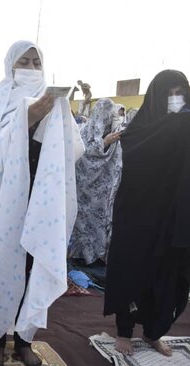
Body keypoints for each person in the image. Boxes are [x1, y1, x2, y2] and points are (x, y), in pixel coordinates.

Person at [0, 41, 84, 366]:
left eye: (36, 61)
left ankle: (24, 339)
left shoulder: (55, 102)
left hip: (41, 199)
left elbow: (74, 148)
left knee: (33, 265)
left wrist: (53, 119)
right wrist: (29, 114)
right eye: (25, 61)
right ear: (11, 64)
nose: (31, 67)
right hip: (2, 202)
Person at [104, 70, 190, 357]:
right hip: (140, 215)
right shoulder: (142, 128)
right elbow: (133, 154)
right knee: (134, 271)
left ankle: (153, 332)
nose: (175, 99)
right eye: (169, 93)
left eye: (179, 93)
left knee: (170, 276)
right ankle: (124, 332)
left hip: (176, 217)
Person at [69, 98, 123, 266]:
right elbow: (82, 156)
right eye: (108, 113)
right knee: (82, 223)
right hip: (84, 190)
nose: (110, 117)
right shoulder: (85, 131)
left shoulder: (115, 131)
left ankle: (97, 255)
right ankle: (80, 255)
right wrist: (104, 143)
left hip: (103, 193)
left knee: (100, 223)